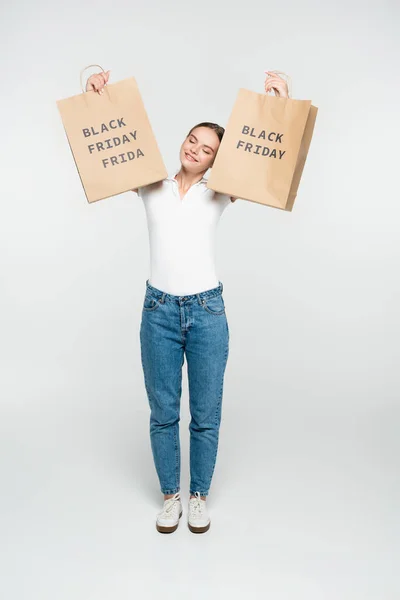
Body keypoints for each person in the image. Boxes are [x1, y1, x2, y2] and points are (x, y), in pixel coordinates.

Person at [86, 69, 289, 534]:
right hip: (157, 311)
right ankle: (170, 497)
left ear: (217, 159)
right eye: (192, 140)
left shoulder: (219, 192)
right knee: (162, 411)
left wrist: (277, 102)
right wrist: (98, 97)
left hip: (206, 312)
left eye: (207, 148)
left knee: (206, 412)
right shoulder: (150, 182)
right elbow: (109, 147)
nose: (195, 149)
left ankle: (198, 495)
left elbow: (263, 163)